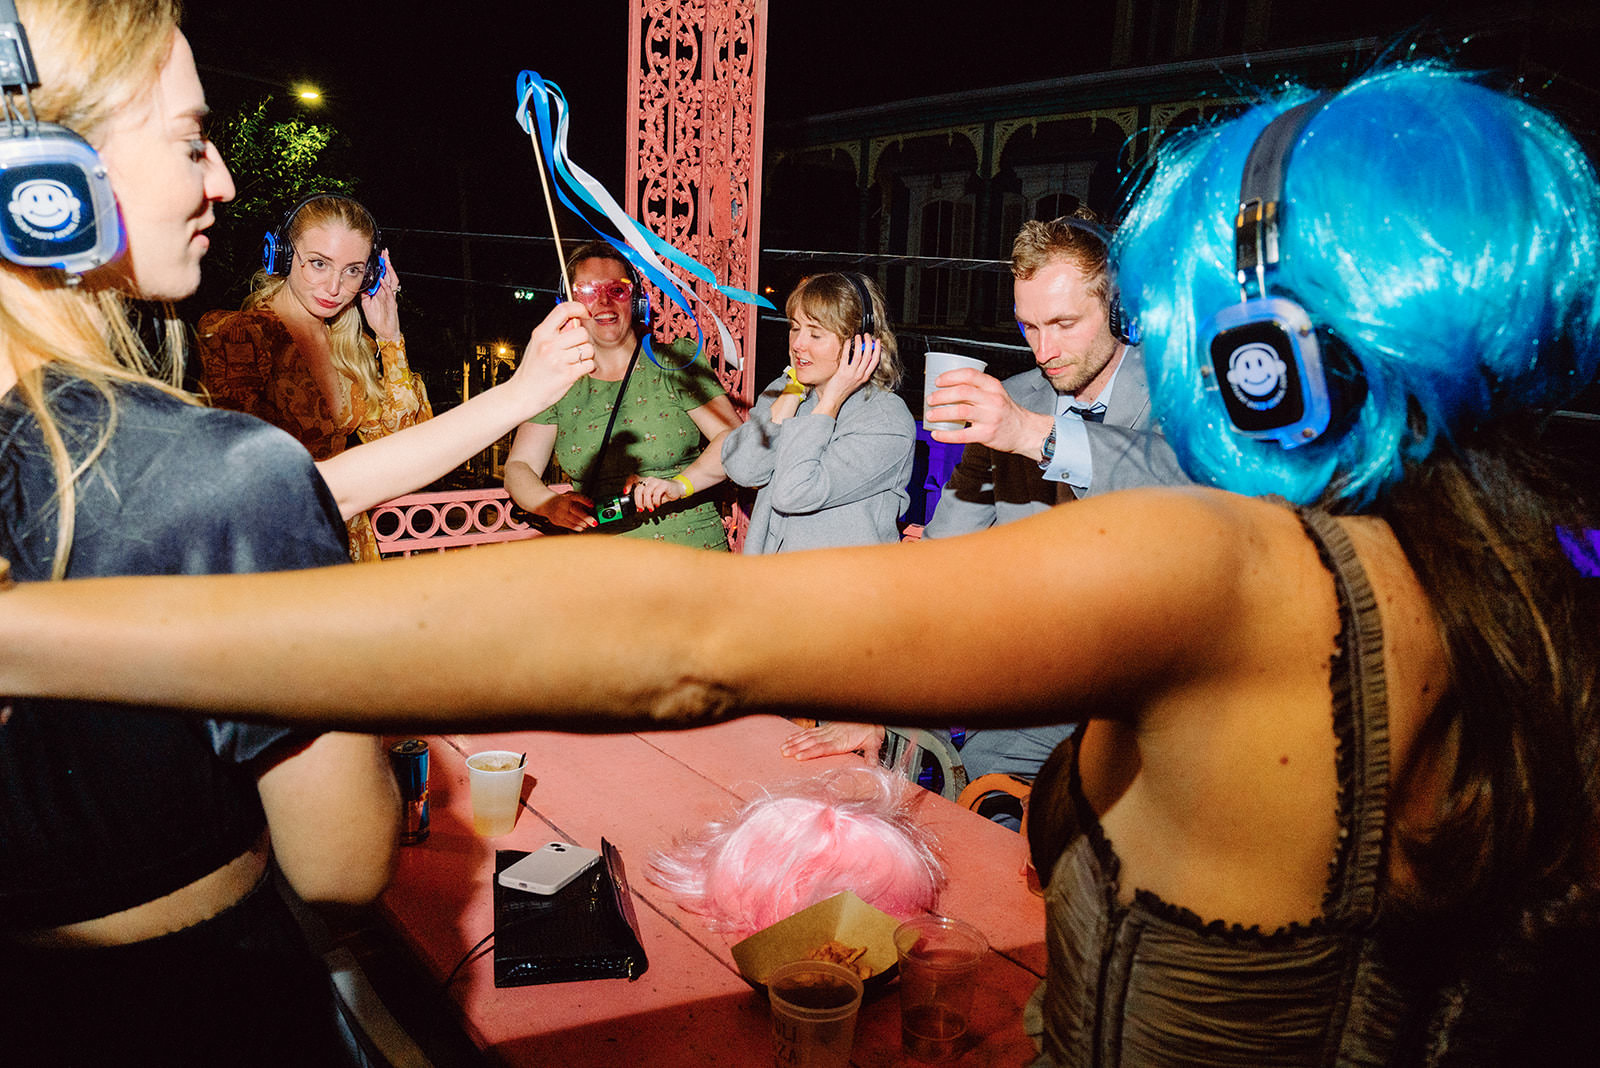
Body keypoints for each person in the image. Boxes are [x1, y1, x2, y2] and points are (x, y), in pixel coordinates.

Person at [4, 64, 1600, 1062]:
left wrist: (43, 634)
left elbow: (681, 638)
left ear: (1265, 354)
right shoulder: (1522, 587)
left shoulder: (1232, 572)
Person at [0, 3, 594, 1063]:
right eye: (192, 140)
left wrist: (517, 394)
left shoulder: (170, 472)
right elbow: (342, 866)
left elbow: (282, 491)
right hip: (195, 1013)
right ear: (41, 183)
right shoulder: (221, 439)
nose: (225, 181)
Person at [783, 218, 1192, 785]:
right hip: (1038, 691)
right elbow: (942, 566)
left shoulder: (1187, 394)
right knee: (975, 793)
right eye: (1029, 326)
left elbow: (1181, 490)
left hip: (1157, 700)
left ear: (1119, 308)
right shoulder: (1016, 396)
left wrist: (1033, 434)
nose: (1044, 350)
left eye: (1064, 324)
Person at [196, 194, 429, 561]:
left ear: (370, 277)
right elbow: (237, 472)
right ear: (282, 256)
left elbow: (407, 451)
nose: (335, 288)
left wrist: (390, 338)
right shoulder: (239, 335)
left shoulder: (352, 349)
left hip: (347, 544)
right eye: (319, 264)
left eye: (353, 271)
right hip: (274, 549)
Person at [503, 240, 740, 550]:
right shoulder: (557, 381)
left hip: (690, 554)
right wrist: (548, 504)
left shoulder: (672, 363)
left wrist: (679, 485)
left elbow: (734, 439)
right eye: (588, 291)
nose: (604, 301)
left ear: (636, 302)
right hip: (604, 560)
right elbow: (519, 466)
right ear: (568, 305)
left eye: (617, 290)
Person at [721, 271, 915, 554]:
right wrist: (793, 392)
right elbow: (743, 469)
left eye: (815, 333)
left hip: (838, 581)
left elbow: (794, 492)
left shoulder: (885, 421)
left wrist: (830, 403)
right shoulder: (785, 391)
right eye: (795, 328)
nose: (798, 344)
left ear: (858, 344)